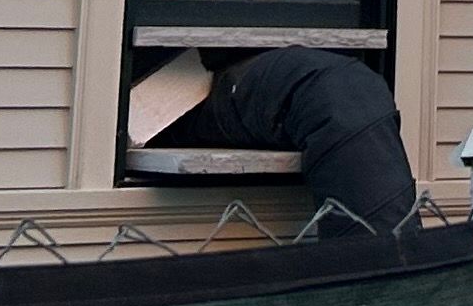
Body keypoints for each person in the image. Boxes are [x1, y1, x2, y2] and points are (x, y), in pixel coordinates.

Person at [164, 48, 418, 232]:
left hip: (300, 70)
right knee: (339, 91)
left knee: (344, 92)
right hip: (177, 79)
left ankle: (379, 285)